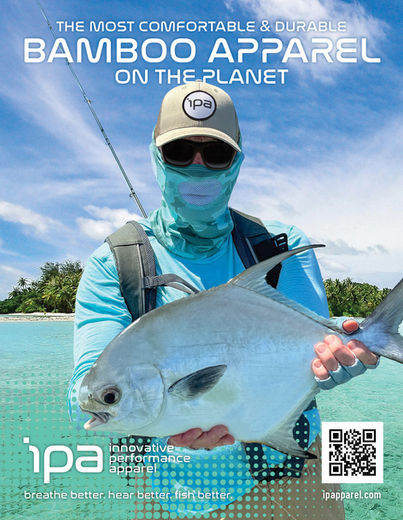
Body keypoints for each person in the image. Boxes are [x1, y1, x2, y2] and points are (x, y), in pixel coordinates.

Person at [68, 81, 379, 519]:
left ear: (237, 161)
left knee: (358, 483)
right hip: (168, 489)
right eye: (180, 151)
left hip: (291, 462)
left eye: (215, 153)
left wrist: (337, 363)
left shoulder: (280, 244)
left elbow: (315, 348)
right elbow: (82, 393)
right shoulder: (114, 262)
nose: (197, 166)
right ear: (156, 156)